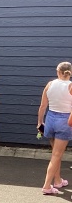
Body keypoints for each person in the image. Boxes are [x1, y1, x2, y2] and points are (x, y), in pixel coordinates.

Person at [37, 61, 72, 195]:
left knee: (56, 154)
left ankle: (57, 181)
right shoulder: (70, 86)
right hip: (64, 121)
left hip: (50, 119)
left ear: (58, 72)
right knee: (57, 155)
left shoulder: (50, 84)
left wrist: (40, 122)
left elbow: (42, 107)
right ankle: (47, 186)